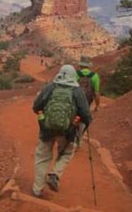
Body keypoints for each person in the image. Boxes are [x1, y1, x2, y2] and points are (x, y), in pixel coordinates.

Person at [32, 64, 92, 197]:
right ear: (73, 76)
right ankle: (55, 174)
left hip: (46, 129)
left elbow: (36, 107)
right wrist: (83, 125)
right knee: (67, 153)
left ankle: (37, 189)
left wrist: (45, 118)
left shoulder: (50, 87)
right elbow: (86, 115)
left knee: (42, 157)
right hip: (67, 131)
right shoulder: (77, 91)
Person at [75, 56, 100, 148]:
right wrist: (97, 105)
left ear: (80, 65)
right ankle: (79, 138)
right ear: (89, 66)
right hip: (86, 103)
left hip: (74, 101)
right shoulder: (95, 76)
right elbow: (96, 93)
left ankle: (70, 137)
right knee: (85, 120)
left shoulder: (75, 74)